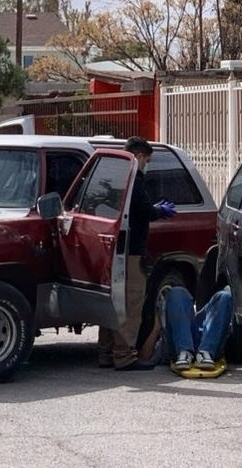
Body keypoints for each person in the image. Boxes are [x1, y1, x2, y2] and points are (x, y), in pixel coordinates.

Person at [98, 136, 176, 371]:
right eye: (147, 160)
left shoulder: (115, 178)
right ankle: (124, 355)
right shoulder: (134, 179)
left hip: (113, 250)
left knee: (111, 303)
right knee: (131, 303)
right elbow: (142, 210)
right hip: (131, 253)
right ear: (139, 156)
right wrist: (158, 211)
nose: (146, 164)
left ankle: (106, 352)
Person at [135, 286, 233, 372]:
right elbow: (144, 357)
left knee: (224, 296)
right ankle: (185, 352)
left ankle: (204, 352)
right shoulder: (165, 334)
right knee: (177, 292)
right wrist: (156, 328)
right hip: (179, 343)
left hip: (208, 339)